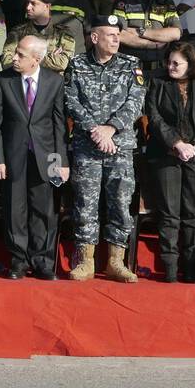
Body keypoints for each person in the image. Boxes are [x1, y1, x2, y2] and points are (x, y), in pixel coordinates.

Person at [64, 15, 147, 283]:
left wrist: (110, 129)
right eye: (110, 34)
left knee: (121, 203)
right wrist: (94, 129)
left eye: (118, 34)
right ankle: (86, 261)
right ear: (94, 37)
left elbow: (136, 102)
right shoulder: (76, 64)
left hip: (119, 147)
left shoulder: (131, 65)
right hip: (87, 146)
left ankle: (116, 261)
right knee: (85, 203)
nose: (116, 39)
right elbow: (70, 101)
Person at [0, 35, 69, 280]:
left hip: (45, 156)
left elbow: (59, 126)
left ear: (37, 59)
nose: (14, 57)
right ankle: (18, 260)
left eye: (21, 55)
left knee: (44, 209)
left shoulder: (54, 82)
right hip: (13, 156)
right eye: (15, 52)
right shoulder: (3, 81)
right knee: (15, 208)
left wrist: (61, 162)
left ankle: (43, 260)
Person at [146, 41, 195, 283]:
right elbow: (154, 118)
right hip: (166, 155)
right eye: (168, 62)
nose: (171, 66)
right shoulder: (158, 84)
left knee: (193, 214)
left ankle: (191, 269)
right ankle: (168, 269)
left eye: (176, 63)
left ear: (191, 63)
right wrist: (177, 144)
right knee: (169, 214)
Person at [112, 0, 181, 71]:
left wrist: (140, 32)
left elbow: (176, 32)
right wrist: (151, 44)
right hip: (129, 68)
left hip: (160, 68)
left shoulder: (166, 2)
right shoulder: (124, 1)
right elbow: (120, 34)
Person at [1, 0, 79, 73]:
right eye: (27, 3)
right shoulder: (18, 32)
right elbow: (7, 62)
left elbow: (63, 63)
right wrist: (47, 58)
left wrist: (24, 58)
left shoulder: (63, 33)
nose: (28, 7)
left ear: (47, 6)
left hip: (52, 85)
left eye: (33, 3)